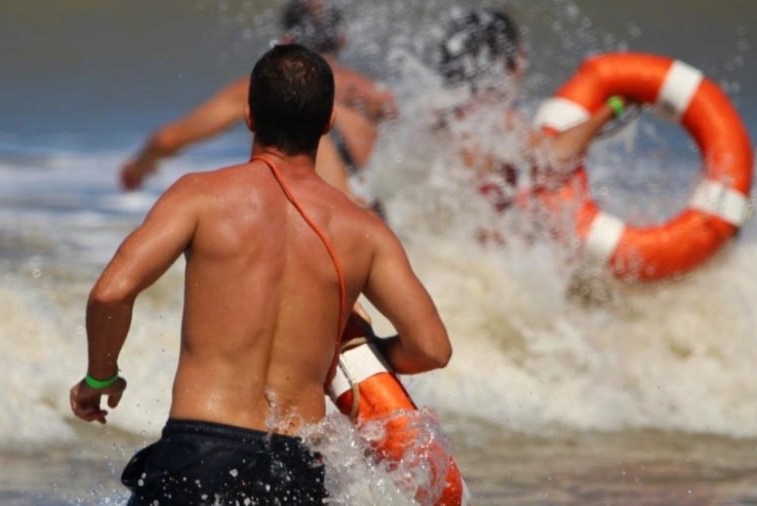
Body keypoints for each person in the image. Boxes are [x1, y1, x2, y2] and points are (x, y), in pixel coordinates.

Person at [69, 44, 450, 505]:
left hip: (201, 451)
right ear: (328, 122)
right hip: (295, 464)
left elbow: (111, 294)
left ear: (249, 115)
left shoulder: (200, 196)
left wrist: (100, 377)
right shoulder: (365, 231)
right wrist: (349, 356)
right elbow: (431, 347)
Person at [120, 0, 396, 210]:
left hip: (322, 225)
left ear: (286, 40)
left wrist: (139, 166)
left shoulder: (271, 83)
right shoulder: (375, 96)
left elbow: (167, 139)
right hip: (373, 224)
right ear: (341, 39)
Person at [434, 8, 626, 219]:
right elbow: (555, 157)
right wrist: (613, 108)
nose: (524, 61)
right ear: (507, 62)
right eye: (520, 52)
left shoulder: (440, 116)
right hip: (478, 242)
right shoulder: (496, 119)